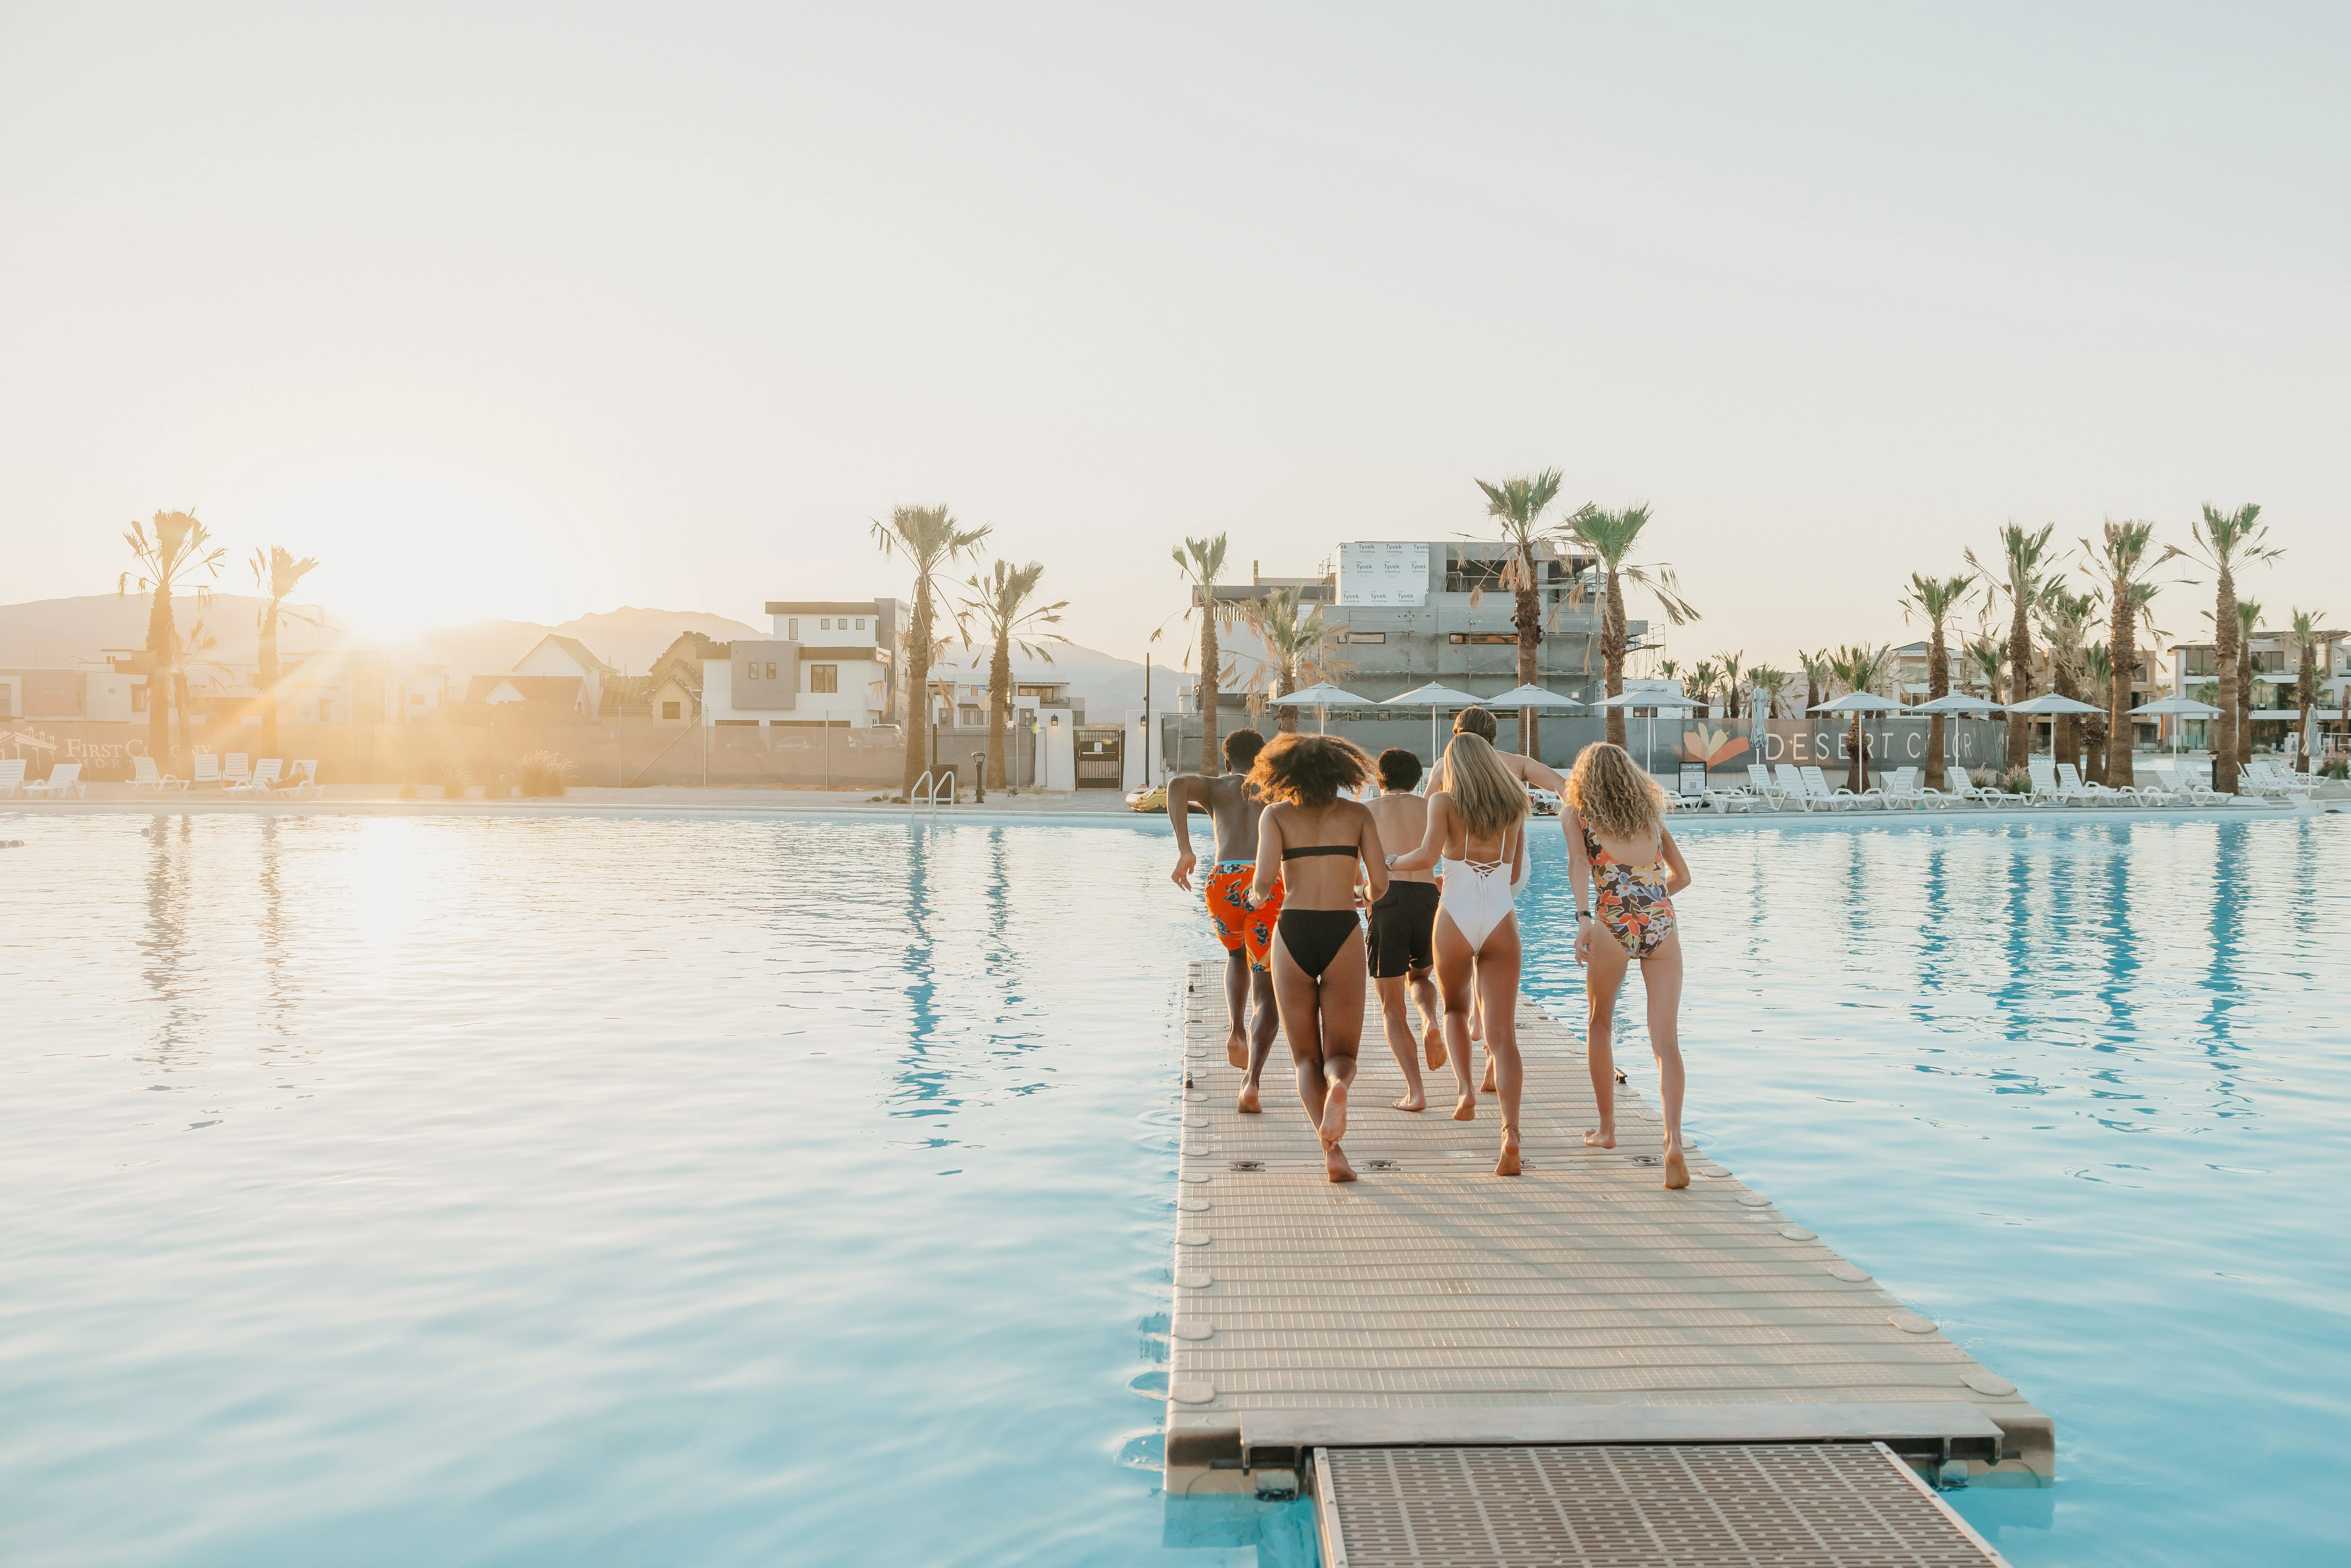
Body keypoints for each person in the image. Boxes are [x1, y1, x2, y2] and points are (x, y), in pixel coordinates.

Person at [1245, 734, 1387, 1183]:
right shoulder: (1357, 814)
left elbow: (1265, 883)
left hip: (1294, 931)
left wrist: (1252, 896)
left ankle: (1334, 1154)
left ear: (1284, 774)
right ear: (1338, 772)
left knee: (1305, 1057)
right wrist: (1360, 892)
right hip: (1343, 929)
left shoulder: (1277, 815)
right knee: (1340, 1052)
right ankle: (1340, 1086)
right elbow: (1379, 885)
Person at [1390, 731, 1529, 1173]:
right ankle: (1510, 1133)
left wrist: (1388, 862)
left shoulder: (1443, 803)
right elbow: (1511, 875)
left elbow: (1427, 856)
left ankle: (1466, 1091)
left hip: (1454, 914)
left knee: (1453, 1008)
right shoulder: (1515, 804)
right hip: (1500, 918)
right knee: (1502, 1035)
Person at [1564, 741, 1693, 1191]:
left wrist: (1585, 919)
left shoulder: (1577, 817)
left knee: (1599, 1024)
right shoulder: (1651, 820)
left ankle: (1607, 1130)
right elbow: (1683, 876)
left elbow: (1579, 864)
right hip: (1660, 922)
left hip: (1611, 922)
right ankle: (1672, 1141)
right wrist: (1648, 902)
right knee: (1666, 1042)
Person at [1430, 705, 1565, 1094]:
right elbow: (1561, 785)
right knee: (1494, 958)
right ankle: (1489, 1045)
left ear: (1457, 733)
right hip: (1507, 873)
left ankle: (1471, 1032)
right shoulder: (1516, 765)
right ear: (1494, 736)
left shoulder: (1446, 766)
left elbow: (1423, 817)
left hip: (1462, 876)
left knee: (1463, 950)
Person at [1168, 730, 1282, 1112]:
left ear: (1228, 762)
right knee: (1267, 989)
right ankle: (1252, 1082)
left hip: (1224, 880)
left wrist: (1186, 849)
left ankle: (1236, 1031)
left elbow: (1176, 785)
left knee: (1236, 957)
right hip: (1268, 883)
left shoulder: (1217, 787)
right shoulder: (1277, 789)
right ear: (1264, 757)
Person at [1360, 748, 1444, 1112]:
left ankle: (1416, 1091)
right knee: (1421, 977)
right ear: (1418, 781)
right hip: (1429, 900)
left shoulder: (1366, 811)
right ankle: (1431, 1021)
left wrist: (1359, 894)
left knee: (1391, 1007)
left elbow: (1354, 867)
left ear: (1379, 781)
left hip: (1387, 900)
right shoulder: (1433, 809)